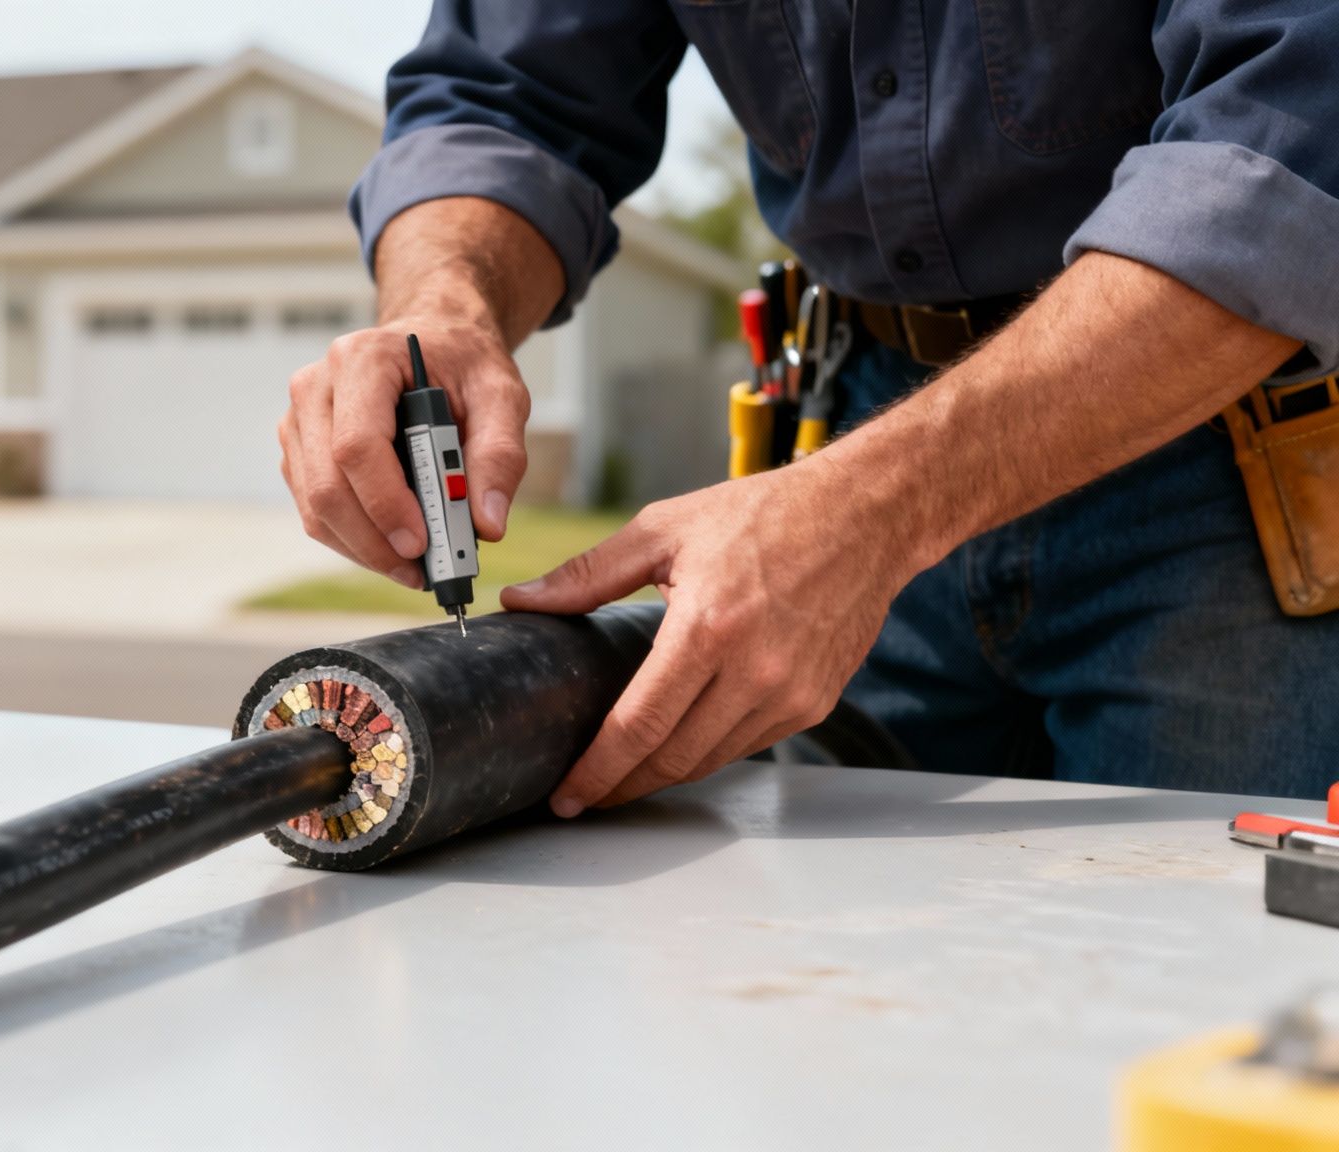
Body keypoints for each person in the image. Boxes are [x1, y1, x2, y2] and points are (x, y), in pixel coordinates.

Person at [277, 1, 1339, 815]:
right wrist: (445, 302)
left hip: (1225, 462)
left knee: (1196, 1012)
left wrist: (871, 513)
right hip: (850, 427)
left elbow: (1288, 134)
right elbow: (500, 97)